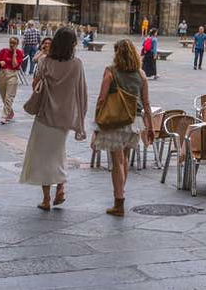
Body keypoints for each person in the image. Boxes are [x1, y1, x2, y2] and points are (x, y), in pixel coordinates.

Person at [20, 26, 87, 210]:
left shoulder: (45, 63)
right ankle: (61, 188)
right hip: (65, 117)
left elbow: (36, 87)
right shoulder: (77, 64)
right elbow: (82, 92)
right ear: (73, 44)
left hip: (45, 115)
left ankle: (47, 199)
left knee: (43, 156)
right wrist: (80, 120)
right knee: (58, 152)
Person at [91, 39, 154, 217]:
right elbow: (147, 104)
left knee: (117, 161)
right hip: (135, 122)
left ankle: (119, 201)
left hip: (115, 121)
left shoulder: (110, 72)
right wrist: (149, 127)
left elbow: (101, 100)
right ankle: (120, 195)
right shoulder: (141, 74)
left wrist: (97, 126)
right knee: (124, 159)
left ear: (117, 53)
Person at [0, 36, 25, 124]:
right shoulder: (3, 51)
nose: (12, 45)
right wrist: (0, 62)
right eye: (11, 42)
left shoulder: (19, 53)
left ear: (17, 44)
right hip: (2, 74)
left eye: (14, 43)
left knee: (9, 97)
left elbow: (15, 65)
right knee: (3, 96)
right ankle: (10, 112)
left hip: (12, 74)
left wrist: (14, 53)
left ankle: (4, 116)